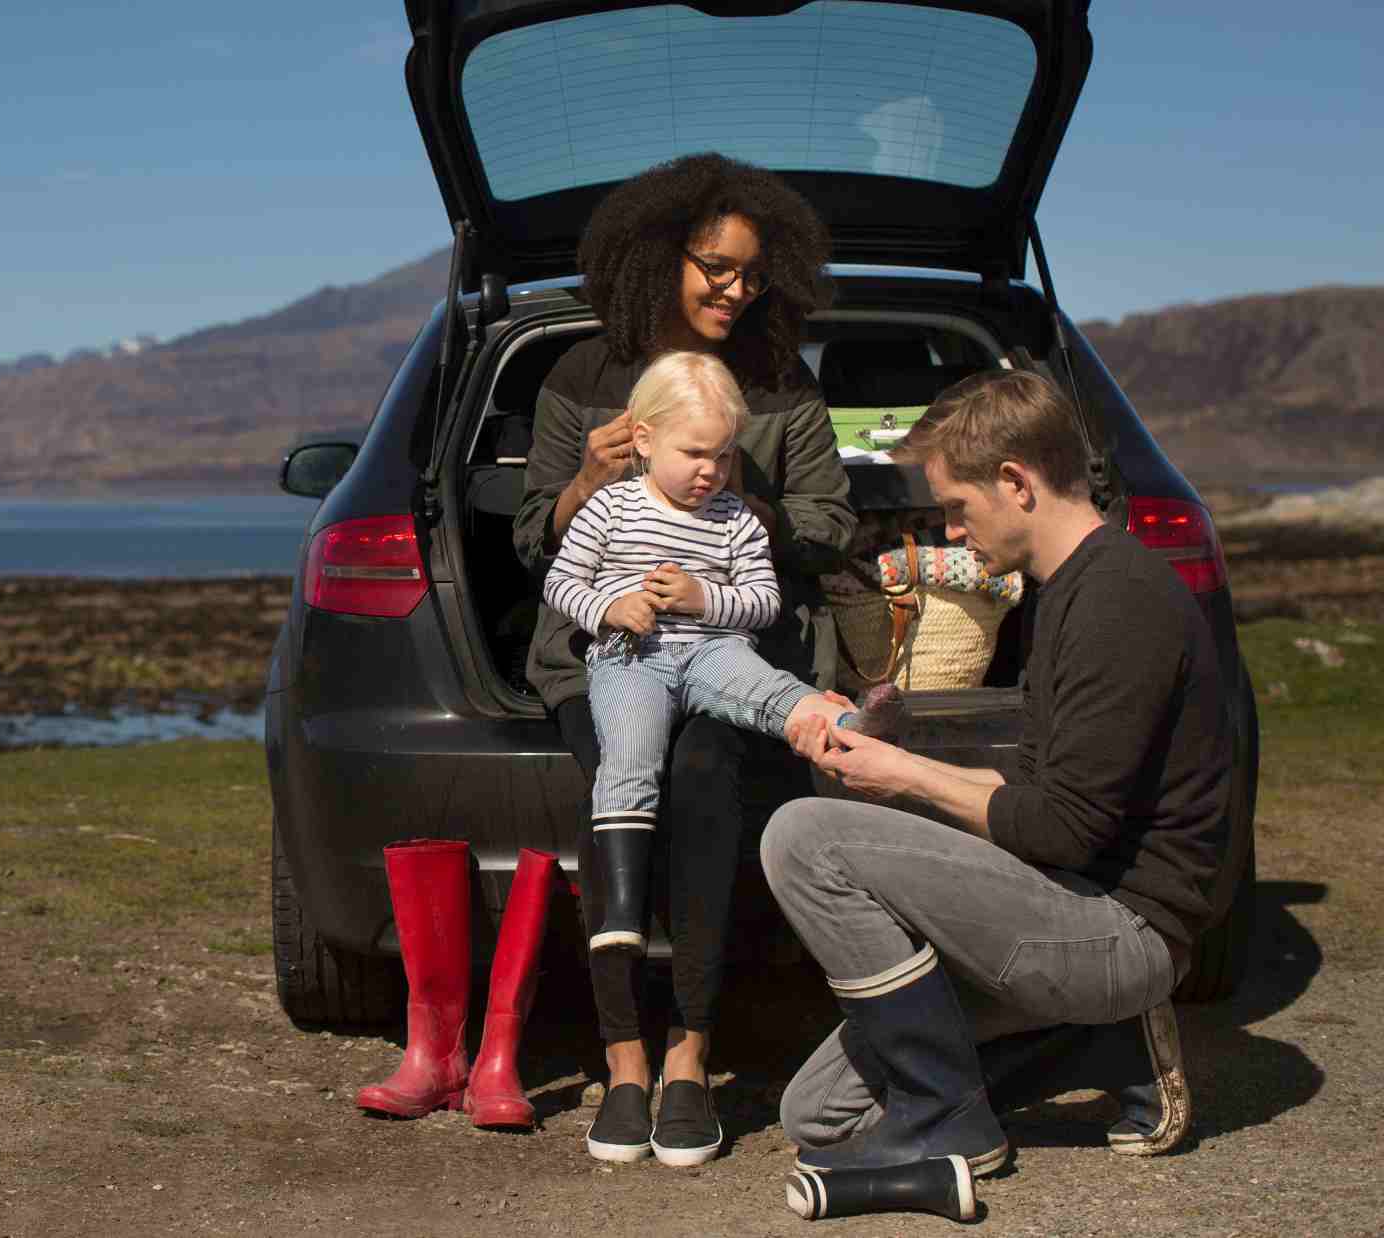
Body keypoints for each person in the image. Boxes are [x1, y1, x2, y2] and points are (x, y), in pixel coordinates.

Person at [764, 369, 1233, 1174]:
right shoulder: (1062, 591)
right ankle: (1105, 1046)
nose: (951, 533)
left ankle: (946, 1117)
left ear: (1016, 482)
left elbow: (1062, 829)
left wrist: (903, 776)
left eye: (956, 507)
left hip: (1124, 930)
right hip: (1065, 901)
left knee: (802, 837)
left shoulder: (1119, 598)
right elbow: (1036, 796)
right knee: (818, 1115)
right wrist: (887, 767)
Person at [512, 152, 856, 1167]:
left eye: (753, 273)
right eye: (717, 266)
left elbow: (831, 523)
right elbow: (533, 540)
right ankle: (623, 1061)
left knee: (706, 778)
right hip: (602, 652)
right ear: (659, 254)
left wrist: (731, 493)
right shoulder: (580, 378)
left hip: (730, 644)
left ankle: (689, 1056)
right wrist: (589, 478)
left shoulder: (779, 382)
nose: (736, 289)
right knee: (621, 782)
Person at [544, 351, 865, 962]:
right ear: (644, 440)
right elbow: (561, 583)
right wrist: (610, 608)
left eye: (723, 456)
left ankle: (848, 725)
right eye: (694, 453)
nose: (710, 471)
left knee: (767, 690)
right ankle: (622, 912)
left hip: (713, 650)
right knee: (629, 758)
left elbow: (763, 603)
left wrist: (702, 598)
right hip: (629, 657)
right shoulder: (608, 508)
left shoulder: (736, 519)